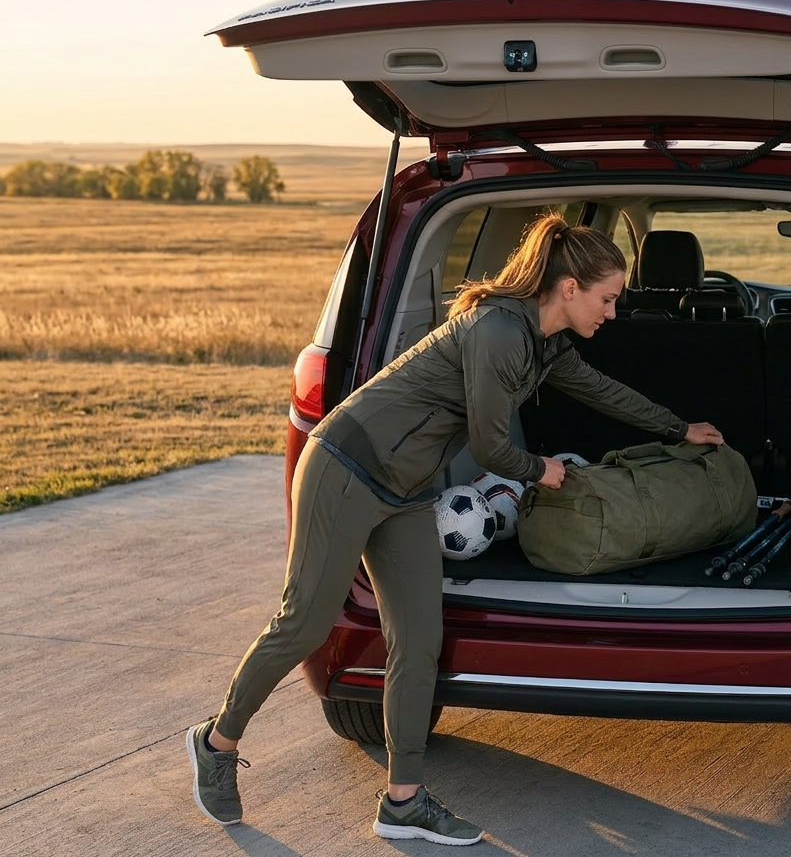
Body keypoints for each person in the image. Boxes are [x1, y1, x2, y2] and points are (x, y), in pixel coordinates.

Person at [186, 214, 724, 846]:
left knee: (418, 639)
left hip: (406, 489)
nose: (611, 312)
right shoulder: (499, 331)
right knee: (304, 621)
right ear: (570, 287)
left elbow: (601, 390)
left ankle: (403, 801)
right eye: (607, 298)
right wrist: (540, 470)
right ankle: (217, 742)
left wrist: (676, 429)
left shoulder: (545, 341)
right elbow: (494, 447)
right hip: (346, 467)